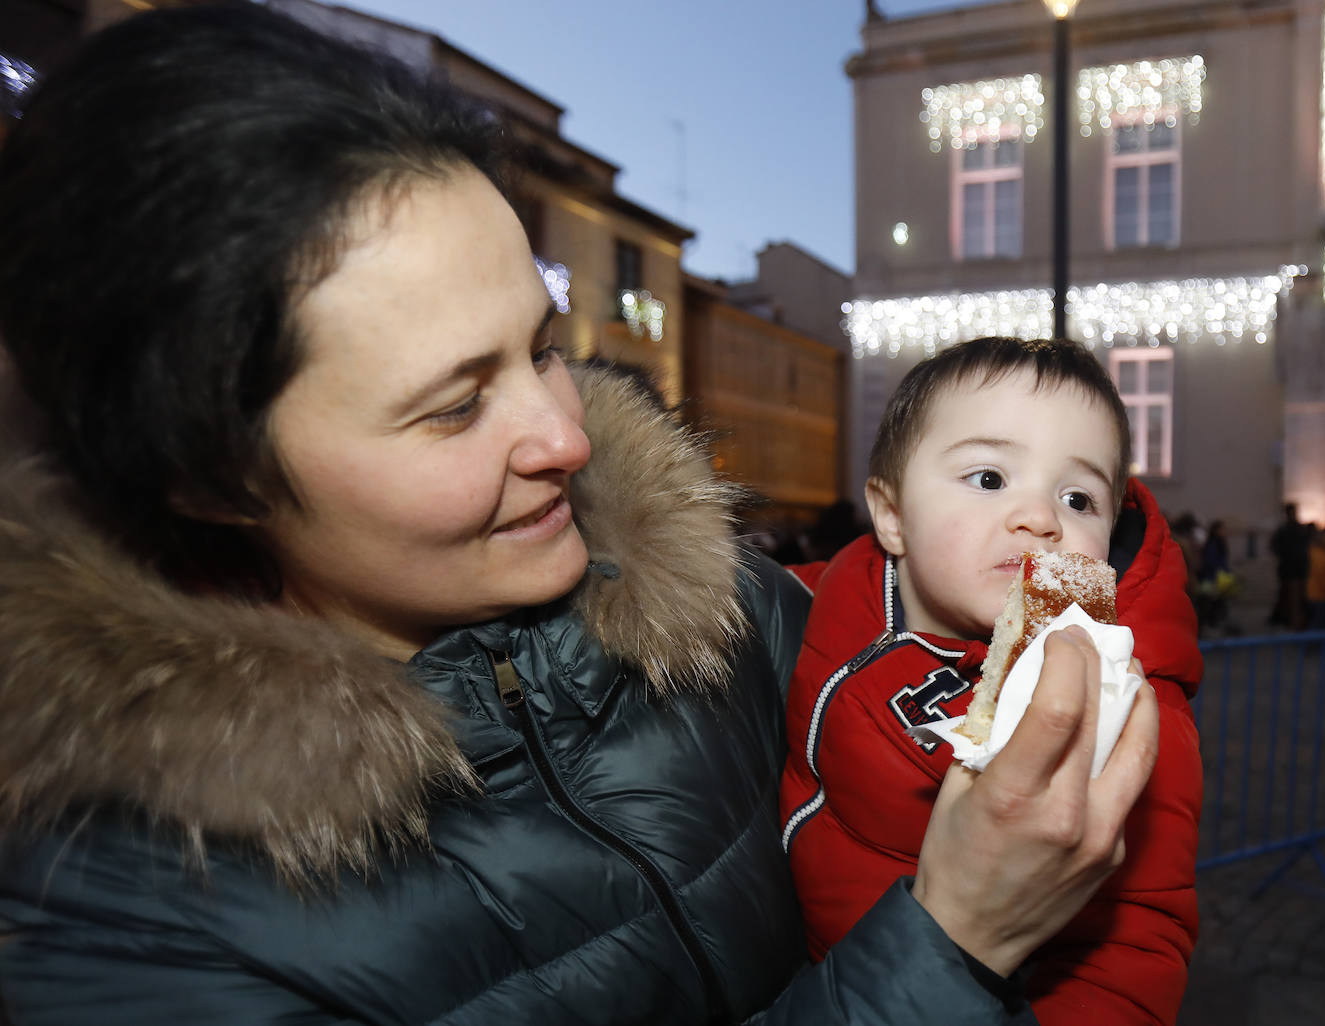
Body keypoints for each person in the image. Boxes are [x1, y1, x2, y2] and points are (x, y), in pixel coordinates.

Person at [0, 6, 1160, 1024]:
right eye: (455, 408)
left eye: (543, 349)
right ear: (209, 479)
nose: (566, 436)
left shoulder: (712, 594)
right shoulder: (112, 925)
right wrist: (952, 946)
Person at [781, 337, 1202, 1024]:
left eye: (1078, 498)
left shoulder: (1130, 699)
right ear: (892, 515)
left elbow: (1136, 938)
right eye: (989, 478)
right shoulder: (832, 591)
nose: (1041, 519)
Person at [1269, 502, 1311, 629]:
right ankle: (1293, 622)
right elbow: (1275, 547)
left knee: (1295, 599)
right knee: (1292, 598)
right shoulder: (1286, 530)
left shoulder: (1294, 529)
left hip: (1295, 569)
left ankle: (1295, 622)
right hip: (1291, 569)